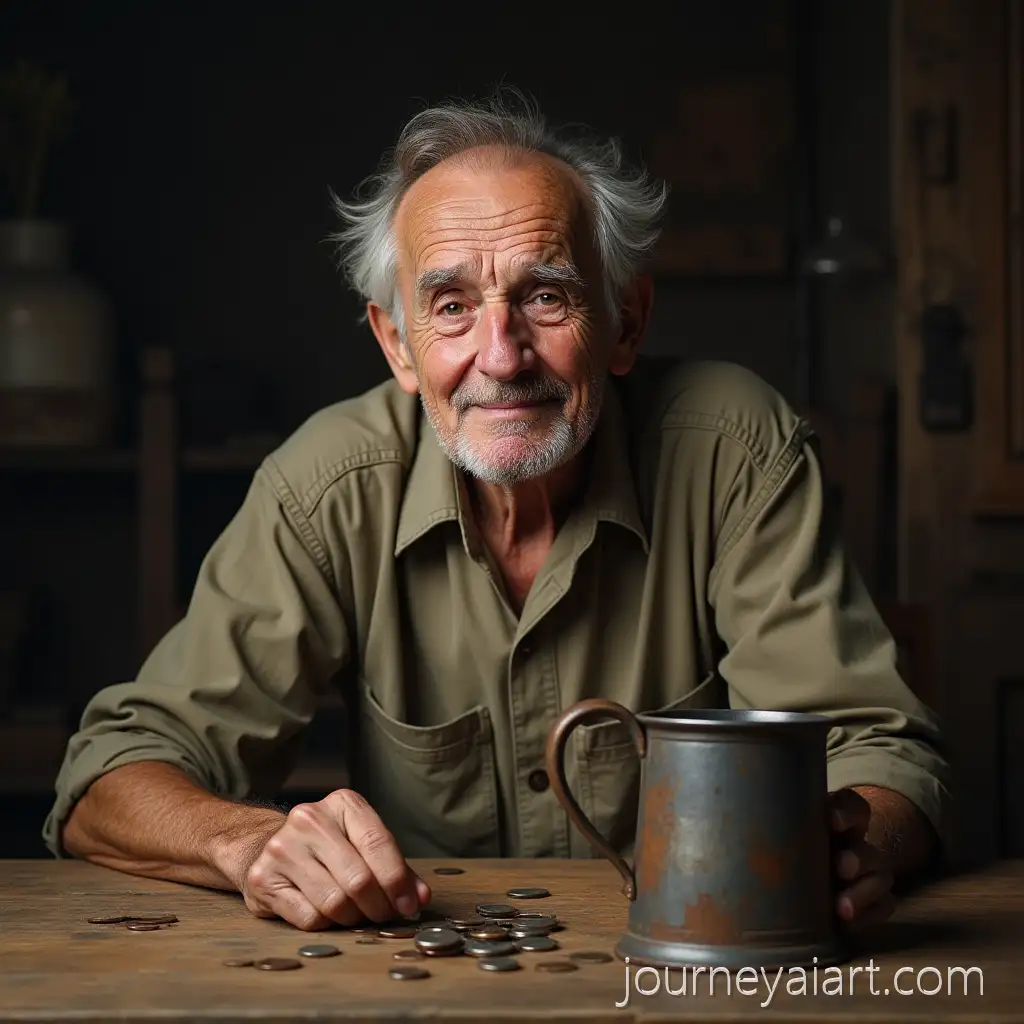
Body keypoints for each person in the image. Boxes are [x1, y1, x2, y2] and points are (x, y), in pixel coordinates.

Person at [44, 89, 950, 935]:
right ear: (396, 344)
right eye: (450, 306)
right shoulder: (327, 484)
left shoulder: (733, 449)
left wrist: (861, 844)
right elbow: (107, 779)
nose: (502, 355)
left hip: (690, 970)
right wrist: (242, 841)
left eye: (546, 295)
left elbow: (877, 749)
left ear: (626, 323)